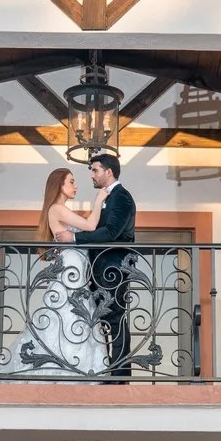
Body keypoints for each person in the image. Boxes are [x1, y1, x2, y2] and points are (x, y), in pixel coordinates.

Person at [13, 167, 106, 376]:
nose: (76, 186)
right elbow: (91, 226)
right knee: (65, 314)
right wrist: (99, 199)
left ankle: (76, 366)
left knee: (76, 316)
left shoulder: (63, 211)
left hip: (77, 272)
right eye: (71, 181)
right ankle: (59, 368)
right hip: (69, 271)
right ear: (59, 185)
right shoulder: (56, 209)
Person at [73, 152, 138, 377]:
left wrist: (74, 239)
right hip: (101, 268)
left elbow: (111, 232)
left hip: (114, 269)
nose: (92, 174)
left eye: (95, 170)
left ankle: (120, 374)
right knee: (104, 318)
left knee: (115, 317)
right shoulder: (107, 197)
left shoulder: (122, 197)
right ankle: (110, 368)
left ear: (108, 172)